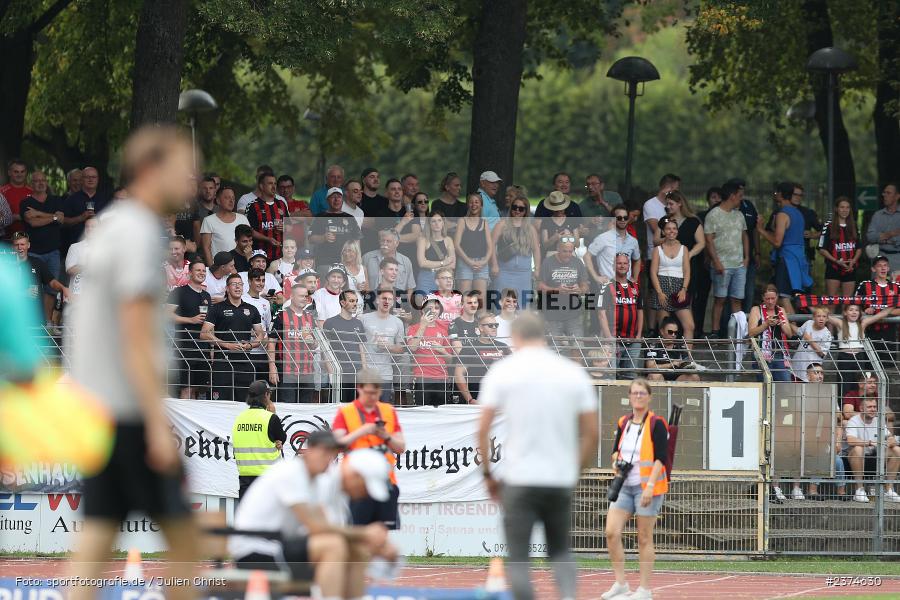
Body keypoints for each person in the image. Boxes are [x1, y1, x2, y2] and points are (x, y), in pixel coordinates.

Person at [66, 127, 198, 600]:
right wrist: (157, 421)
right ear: (148, 170)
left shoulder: (115, 224)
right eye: (181, 169)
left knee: (97, 536)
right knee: (184, 540)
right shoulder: (140, 231)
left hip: (100, 409)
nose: (191, 179)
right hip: (128, 412)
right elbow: (136, 333)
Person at [478, 311, 598, 600]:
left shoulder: (503, 371)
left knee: (519, 558)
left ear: (515, 336)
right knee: (560, 550)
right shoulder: (572, 372)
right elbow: (592, 433)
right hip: (558, 478)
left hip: (519, 478)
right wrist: (575, 471)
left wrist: (488, 475)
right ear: (543, 335)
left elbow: (481, 430)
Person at [230, 432, 398, 594]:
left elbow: (325, 526)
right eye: (323, 452)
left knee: (354, 550)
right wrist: (365, 534)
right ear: (310, 450)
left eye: (330, 454)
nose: (327, 459)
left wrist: (372, 544)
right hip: (255, 551)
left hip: (276, 545)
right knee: (333, 545)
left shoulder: (316, 481)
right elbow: (316, 527)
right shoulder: (292, 472)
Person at [603, 378, 669, 600]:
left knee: (644, 537)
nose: (638, 397)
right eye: (634, 393)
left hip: (647, 486)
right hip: (624, 484)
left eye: (642, 393)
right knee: (612, 532)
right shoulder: (624, 422)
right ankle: (620, 583)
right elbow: (615, 451)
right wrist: (616, 462)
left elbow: (661, 458)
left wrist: (650, 486)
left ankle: (644, 589)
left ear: (649, 397)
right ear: (629, 396)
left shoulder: (657, 424)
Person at [332, 369, 407, 529]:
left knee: (382, 532)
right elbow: (336, 445)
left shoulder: (388, 411)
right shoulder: (345, 412)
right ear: (359, 388)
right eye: (369, 393)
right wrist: (363, 431)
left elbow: (401, 447)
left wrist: (386, 436)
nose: (373, 397)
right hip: (356, 483)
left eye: (376, 393)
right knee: (358, 532)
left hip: (385, 481)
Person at [200, 273, 267, 401]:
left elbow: (260, 334)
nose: (238, 287)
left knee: (244, 402)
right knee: (221, 403)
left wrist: (251, 345)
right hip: (222, 362)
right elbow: (204, 333)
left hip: (245, 363)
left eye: (240, 284)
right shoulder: (217, 308)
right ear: (227, 288)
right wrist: (227, 345)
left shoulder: (251, 309)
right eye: (234, 284)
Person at [757, 182, 812, 314]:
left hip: (788, 260)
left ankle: (793, 326)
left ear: (781, 195)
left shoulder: (783, 214)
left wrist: (760, 229)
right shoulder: (798, 213)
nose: (774, 195)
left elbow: (777, 242)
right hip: (799, 258)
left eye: (776, 192)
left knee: (783, 297)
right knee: (773, 291)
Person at [704, 181, 748, 337]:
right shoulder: (713, 215)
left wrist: (747, 257)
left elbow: (744, 236)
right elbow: (708, 240)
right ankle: (715, 332)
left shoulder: (739, 215)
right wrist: (716, 261)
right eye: (740, 196)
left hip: (739, 264)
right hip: (722, 264)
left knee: (737, 299)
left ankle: (738, 334)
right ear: (732, 196)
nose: (741, 199)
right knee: (720, 299)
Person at [231, 380, 286, 499]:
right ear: (266, 395)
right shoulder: (270, 418)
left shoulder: (239, 418)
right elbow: (281, 437)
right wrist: (274, 414)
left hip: (245, 478)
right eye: (270, 394)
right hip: (268, 479)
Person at [166, 259, 212, 399]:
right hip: (185, 346)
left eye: (203, 271)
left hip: (203, 347)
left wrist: (211, 348)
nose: (201, 273)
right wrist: (190, 320)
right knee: (186, 387)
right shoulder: (180, 292)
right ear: (190, 273)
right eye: (198, 270)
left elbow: (210, 323)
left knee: (198, 389)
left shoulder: (206, 295)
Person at [20, 170, 64, 310]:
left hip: (53, 253)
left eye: (43, 180)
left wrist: (38, 213)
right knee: (32, 290)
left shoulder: (56, 200)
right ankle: (33, 320)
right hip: (33, 253)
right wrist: (53, 217)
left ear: (46, 182)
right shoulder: (25, 202)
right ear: (31, 184)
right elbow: (33, 222)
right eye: (37, 181)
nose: (40, 183)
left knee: (51, 290)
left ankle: (47, 320)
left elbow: (61, 219)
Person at [269, 284, 319, 404]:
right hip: (287, 371)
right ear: (292, 296)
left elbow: (315, 344)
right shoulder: (281, 315)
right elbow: (271, 342)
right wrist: (272, 367)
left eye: (306, 296)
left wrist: (311, 340)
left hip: (307, 371)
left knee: (306, 407)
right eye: (301, 296)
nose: (304, 299)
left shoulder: (310, 318)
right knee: (288, 406)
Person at [845, 398, 900, 503]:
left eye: (874, 407)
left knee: (896, 450)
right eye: (869, 407)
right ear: (861, 408)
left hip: (876, 456)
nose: (873, 409)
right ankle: (859, 490)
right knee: (858, 449)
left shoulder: (878, 420)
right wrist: (870, 443)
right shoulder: (854, 420)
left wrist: (891, 441)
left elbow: (889, 436)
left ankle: (888, 490)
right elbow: (850, 440)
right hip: (856, 459)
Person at [599, 253, 644, 380]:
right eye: (619, 263)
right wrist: (608, 337)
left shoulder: (635, 286)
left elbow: (640, 311)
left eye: (625, 263)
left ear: (629, 266)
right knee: (612, 375)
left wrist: (639, 335)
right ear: (613, 265)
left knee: (630, 376)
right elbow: (601, 313)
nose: (622, 266)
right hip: (614, 340)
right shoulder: (607, 286)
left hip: (633, 341)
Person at [649, 217, 695, 341]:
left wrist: (684, 289)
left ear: (677, 231)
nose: (671, 231)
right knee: (665, 327)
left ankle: (687, 353)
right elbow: (653, 272)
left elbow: (687, 271)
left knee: (689, 326)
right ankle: (666, 353)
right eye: (668, 229)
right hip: (662, 287)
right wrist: (659, 292)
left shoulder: (684, 248)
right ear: (663, 232)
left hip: (679, 288)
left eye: (674, 228)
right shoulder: (658, 249)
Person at [829, 302, 891, 392]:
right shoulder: (841, 323)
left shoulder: (863, 323)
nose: (854, 312)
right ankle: (843, 401)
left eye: (856, 310)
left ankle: (857, 401)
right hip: (844, 357)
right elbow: (824, 315)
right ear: (845, 312)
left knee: (859, 384)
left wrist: (895, 303)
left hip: (859, 356)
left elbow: (882, 314)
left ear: (860, 313)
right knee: (844, 384)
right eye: (851, 310)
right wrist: (808, 302)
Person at [490, 194, 540, 304]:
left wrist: (537, 269)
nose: (517, 210)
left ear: (526, 211)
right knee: (501, 305)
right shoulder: (502, 224)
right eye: (514, 207)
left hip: (524, 273)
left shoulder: (530, 228)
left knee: (522, 306)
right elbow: (491, 244)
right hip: (503, 271)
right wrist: (494, 264)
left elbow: (536, 249)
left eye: (521, 208)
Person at [359, 288, 406, 403]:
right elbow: (356, 342)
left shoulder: (398, 322)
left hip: (386, 374)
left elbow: (401, 349)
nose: (387, 301)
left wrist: (389, 346)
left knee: (383, 410)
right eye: (384, 298)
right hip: (367, 373)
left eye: (390, 299)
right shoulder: (364, 319)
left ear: (393, 302)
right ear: (377, 300)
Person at [537, 238, 589, 341]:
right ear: (558, 249)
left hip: (573, 314)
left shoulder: (578, 262)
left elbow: (585, 286)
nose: (568, 254)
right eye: (565, 251)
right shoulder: (548, 262)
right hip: (552, 315)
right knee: (554, 348)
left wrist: (579, 290)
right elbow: (540, 287)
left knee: (578, 346)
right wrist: (556, 290)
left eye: (570, 251)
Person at [11, 232, 69, 324]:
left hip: (35, 315)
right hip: (13, 315)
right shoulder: (6, 266)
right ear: (12, 247)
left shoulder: (37, 262)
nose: (19, 247)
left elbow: (52, 281)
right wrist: (23, 293)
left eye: (22, 244)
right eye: (16, 245)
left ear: (28, 245)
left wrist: (63, 288)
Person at [454, 311, 509, 403]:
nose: (494, 327)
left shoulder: (503, 347)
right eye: (490, 325)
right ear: (481, 328)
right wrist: (470, 399)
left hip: (500, 399)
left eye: (496, 325)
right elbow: (458, 374)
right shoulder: (470, 347)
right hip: (478, 399)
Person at [407, 296, 452, 406]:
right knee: (421, 411)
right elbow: (412, 348)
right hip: (422, 377)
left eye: (437, 308)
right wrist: (423, 325)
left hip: (441, 377)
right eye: (430, 308)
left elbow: (450, 360)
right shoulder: (413, 328)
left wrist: (442, 350)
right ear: (422, 310)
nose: (434, 311)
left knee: (442, 412)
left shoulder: (443, 330)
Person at [323, 290, 367, 403]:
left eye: (356, 301)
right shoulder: (330, 323)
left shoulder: (358, 323)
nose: (355, 304)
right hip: (339, 372)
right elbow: (325, 350)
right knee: (339, 407)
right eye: (351, 301)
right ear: (342, 303)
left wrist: (365, 371)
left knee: (356, 407)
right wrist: (331, 373)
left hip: (357, 372)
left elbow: (361, 348)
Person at [747, 284, 796, 382]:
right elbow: (751, 333)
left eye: (773, 298)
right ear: (763, 298)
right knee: (765, 384)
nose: (770, 301)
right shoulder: (756, 310)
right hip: (761, 354)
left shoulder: (781, 310)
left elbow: (789, 334)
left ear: (777, 297)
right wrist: (766, 324)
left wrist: (781, 323)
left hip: (780, 353)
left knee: (785, 383)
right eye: (767, 299)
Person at [818, 196, 862, 301]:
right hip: (834, 267)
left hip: (850, 268)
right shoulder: (828, 226)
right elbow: (822, 249)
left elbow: (859, 248)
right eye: (842, 207)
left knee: (847, 302)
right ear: (836, 209)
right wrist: (836, 261)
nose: (845, 210)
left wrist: (853, 261)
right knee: (832, 301)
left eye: (847, 207)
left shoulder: (854, 225)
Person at [586, 204, 641, 284]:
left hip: (626, 287)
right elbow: (587, 256)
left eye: (625, 218)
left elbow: (637, 259)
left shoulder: (633, 241)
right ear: (613, 220)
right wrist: (596, 277)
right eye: (619, 218)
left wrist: (635, 279)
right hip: (608, 286)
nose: (623, 220)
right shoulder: (603, 238)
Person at [309, 187, 362, 270]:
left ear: (342, 200)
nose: (336, 199)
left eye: (339, 197)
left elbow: (357, 240)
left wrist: (357, 260)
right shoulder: (320, 217)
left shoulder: (350, 218)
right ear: (327, 200)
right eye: (333, 197)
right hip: (325, 262)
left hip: (346, 262)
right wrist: (323, 237)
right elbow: (310, 238)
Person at [855, 254, 900, 351]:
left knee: (888, 360)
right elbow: (854, 307)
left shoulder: (896, 286)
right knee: (870, 359)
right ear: (873, 269)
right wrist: (865, 311)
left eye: (885, 265)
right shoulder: (865, 285)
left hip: (890, 332)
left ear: (888, 268)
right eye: (879, 265)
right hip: (870, 330)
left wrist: (878, 311)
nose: (883, 268)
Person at [694, 187, 723, 335]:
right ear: (708, 200)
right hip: (703, 262)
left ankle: (721, 330)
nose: (716, 200)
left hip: (723, 261)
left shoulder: (727, 216)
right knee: (701, 296)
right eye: (713, 197)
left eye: (719, 197)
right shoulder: (701, 216)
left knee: (722, 297)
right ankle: (698, 329)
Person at [454, 193, 493, 299]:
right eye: (471, 202)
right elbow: (456, 245)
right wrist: (469, 262)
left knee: (480, 300)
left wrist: (484, 261)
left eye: (476, 202)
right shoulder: (462, 221)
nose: (474, 204)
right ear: (468, 205)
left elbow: (490, 246)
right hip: (465, 262)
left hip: (481, 263)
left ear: (481, 205)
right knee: (465, 298)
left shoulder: (484, 222)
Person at [242, 267, 278, 380]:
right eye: (257, 280)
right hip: (247, 350)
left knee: (263, 386)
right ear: (249, 281)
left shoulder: (266, 303)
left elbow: (268, 327)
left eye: (263, 280)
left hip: (263, 352)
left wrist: (266, 338)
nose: (261, 283)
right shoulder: (242, 299)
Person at [200, 185, 250, 266]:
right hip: (220, 267)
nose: (231, 201)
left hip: (242, 266)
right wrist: (212, 269)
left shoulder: (243, 219)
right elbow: (206, 248)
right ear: (218, 200)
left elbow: (249, 243)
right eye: (227, 198)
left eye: (233, 198)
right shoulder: (208, 221)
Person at [245, 172, 290, 261]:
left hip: (280, 256)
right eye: (270, 183)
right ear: (261, 186)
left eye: (275, 184)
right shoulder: (253, 206)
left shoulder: (281, 204)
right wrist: (268, 239)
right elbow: (249, 231)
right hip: (259, 257)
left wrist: (285, 227)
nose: (273, 186)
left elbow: (290, 226)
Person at [362, 229, 417, 299]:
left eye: (388, 241)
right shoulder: (367, 258)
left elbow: (410, 288)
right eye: (383, 241)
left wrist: (410, 305)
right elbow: (360, 282)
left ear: (397, 243)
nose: (385, 244)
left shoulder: (406, 261)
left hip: (398, 303)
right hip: (372, 302)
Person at [643, 317, 701, 383]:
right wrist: (671, 364)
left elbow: (687, 363)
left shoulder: (681, 346)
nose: (673, 335)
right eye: (670, 332)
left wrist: (686, 364)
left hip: (677, 378)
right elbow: (650, 367)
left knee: (694, 376)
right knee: (654, 375)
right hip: (660, 376)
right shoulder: (653, 345)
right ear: (662, 331)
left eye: (676, 332)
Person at [642, 174, 681, 259]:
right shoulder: (650, 204)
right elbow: (657, 229)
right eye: (676, 189)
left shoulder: (677, 205)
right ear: (669, 188)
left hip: (675, 254)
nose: (678, 192)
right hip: (656, 255)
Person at [790, 306, 833, 382]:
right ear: (814, 317)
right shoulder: (808, 323)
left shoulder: (827, 334)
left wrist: (810, 340)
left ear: (827, 319)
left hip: (811, 369)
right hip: (798, 363)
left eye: (824, 316)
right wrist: (788, 323)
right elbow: (799, 331)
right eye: (818, 316)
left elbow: (822, 354)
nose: (821, 319)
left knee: (809, 387)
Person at [416, 213, 456, 293]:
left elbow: (452, 264)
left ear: (443, 223)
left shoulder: (448, 240)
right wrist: (443, 263)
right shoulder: (423, 239)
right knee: (425, 301)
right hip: (426, 278)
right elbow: (422, 263)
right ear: (429, 224)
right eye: (433, 221)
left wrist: (433, 267)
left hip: (444, 278)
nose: (437, 223)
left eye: (439, 220)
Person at [865, 182, 900, 272]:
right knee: (878, 282)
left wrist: (881, 238)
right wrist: (891, 234)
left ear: (897, 196)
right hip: (879, 258)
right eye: (884, 192)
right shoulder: (877, 215)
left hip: (898, 259)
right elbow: (870, 237)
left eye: (888, 193)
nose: (884, 195)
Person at [539, 191, 581, 257]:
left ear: (564, 207)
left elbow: (578, 245)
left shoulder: (572, 220)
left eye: (561, 209)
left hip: (569, 253)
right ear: (552, 208)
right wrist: (554, 238)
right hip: (552, 254)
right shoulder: (546, 221)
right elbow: (544, 245)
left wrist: (570, 237)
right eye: (556, 210)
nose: (559, 211)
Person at [1, 159, 32, 238]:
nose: (19, 174)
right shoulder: (1, 192)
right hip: (6, 238)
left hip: (30, 238)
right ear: (9, 172)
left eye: (22, 171)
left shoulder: (33, 192)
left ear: (26, 173)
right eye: (16, 172)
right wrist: (12, 217)